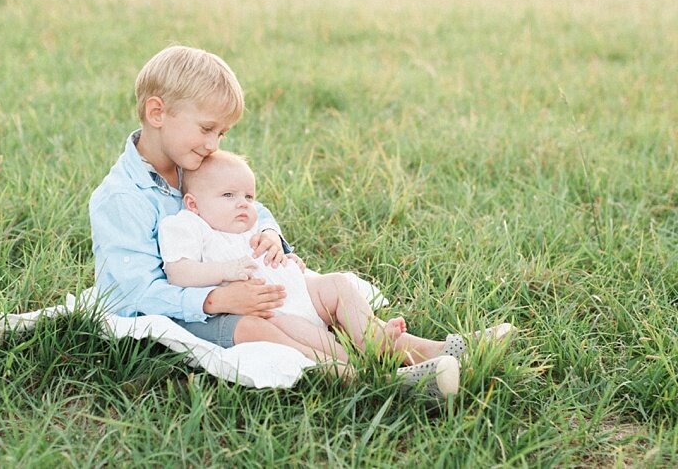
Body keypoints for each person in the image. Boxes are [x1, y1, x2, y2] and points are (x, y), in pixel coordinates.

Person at [90, 45, 509, 397]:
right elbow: (135, 295)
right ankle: (374, 383)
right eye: (207, 129)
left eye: (223, 134)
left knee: (335, 288)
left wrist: (269, 232)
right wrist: (217, 302)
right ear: (158, 112)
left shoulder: (190, 158)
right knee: (259, 330)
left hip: (244, 281)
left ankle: (427, 350)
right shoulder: (121, 199)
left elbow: (246, 203)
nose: (214, 144)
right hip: (191, 312)